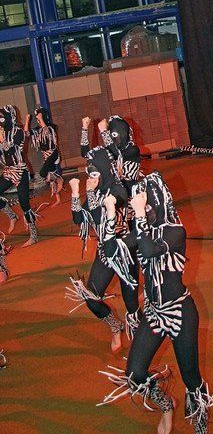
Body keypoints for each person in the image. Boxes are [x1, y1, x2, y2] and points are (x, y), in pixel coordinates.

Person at [99, 172, 213, 434]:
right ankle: (166, 405)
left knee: (191, 378)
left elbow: (149, 250)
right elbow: (111, 252)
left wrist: (139, 216)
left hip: (180, 312)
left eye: (145, 203)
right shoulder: (143, 230)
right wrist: (109, 216)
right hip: (153, 313)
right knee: (134, 374)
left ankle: (200, 421)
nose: (142, 207)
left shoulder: (175, 231)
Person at [66, 146, 141, 352]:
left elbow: (102, 218)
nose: (91, 176)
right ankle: (115, 326)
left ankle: (139, 346)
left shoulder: (118, 190)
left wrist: (90, 193)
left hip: (124, 252)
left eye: (94, 171)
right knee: (91, 297)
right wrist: (75, 194)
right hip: (104, 254)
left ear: (104, 169)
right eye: (89, 172)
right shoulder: (96, 190)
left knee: (132, 305)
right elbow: (79, 219)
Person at [0, 105, 38, 246]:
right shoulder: (3, 132)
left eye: (2, 118)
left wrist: (1, 138)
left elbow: (10, 149)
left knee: (24, 203)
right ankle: (12, 215)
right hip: (8, 171)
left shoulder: (18, 132)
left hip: (20, 171)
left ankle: (34, 235)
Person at [24, 107, 63, 207]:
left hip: (53, 153)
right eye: (37, 119)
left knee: (42, 173)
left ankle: (59, 180)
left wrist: (41, 118)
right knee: (50, 175)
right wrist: (27, 120)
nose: (38, 120)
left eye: (39, 118)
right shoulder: (37, 129)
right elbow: (26, 133)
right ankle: (58, 199)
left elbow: (47, 132)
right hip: (46, 155)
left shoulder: (52, 126)